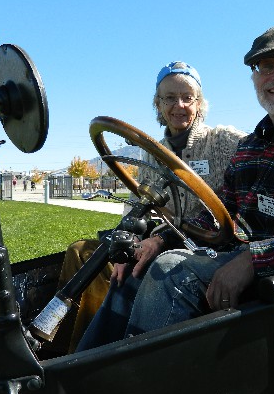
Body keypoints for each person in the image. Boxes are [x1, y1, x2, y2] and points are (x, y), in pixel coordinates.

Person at [76, 25, 274, 351]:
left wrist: (256, 259)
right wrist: (159, 239)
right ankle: (74, 377)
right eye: (267, 66)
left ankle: (138, 389)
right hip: (241, 260)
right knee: (135, 269)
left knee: (169, 271)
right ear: (255, 78)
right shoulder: (251, 148)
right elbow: (221, 215)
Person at [54, 61, 246, 352]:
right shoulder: (153, 155)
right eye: (169, 98)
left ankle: (94, 357)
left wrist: (157, 241)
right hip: (160, 239)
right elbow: (135, 206)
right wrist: (125, 245)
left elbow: (256, 158)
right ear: (158, 103)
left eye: (187, 97)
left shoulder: (223, 142)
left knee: (134, 274)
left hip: (206, 247)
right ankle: (66, 348)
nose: (178, 105)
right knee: (81, 253)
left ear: (200, 103)